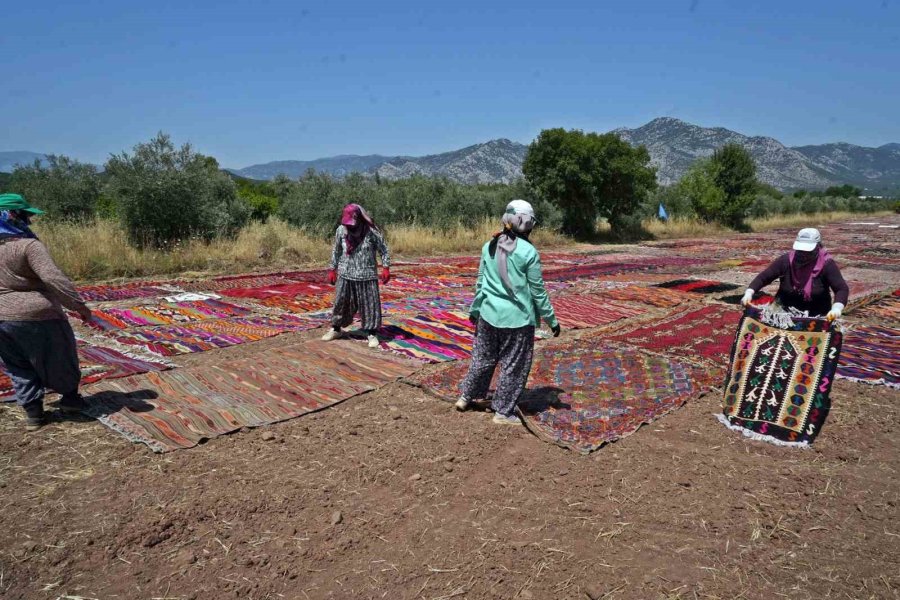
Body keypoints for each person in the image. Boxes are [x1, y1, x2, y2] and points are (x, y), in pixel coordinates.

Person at [455, 200, 560, 425]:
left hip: (487, 314)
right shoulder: (529, 252)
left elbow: (481, 282)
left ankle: (466, 396)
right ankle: (503, 412)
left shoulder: (489, 246)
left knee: (482, 359)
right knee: (513, 365)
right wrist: (552, 320)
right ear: (527, 224)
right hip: (517, 319)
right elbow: (538, 291)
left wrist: (475, 309)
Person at [0, 194, 92, 431]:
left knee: (18, 365)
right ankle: (71, 400)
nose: (30, 220)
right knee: (60, 356)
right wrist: (79, 307)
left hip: (2, 319)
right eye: (26, 215)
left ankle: (34, 414)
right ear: (13, 216)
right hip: (38, 315)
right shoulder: (29, 246)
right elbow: (52, 278)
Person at [741, 227, 849, 320]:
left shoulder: (827, 265)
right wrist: (749, 293)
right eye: (800, 251)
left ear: (818, 247)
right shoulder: (786, 260)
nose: (803, 254)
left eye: (807, 251)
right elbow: (764, 277)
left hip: (817, 316)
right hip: (783, 313)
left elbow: (841, 289)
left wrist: (836, 309)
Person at [322, 203, 391, 348]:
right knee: (340, 302)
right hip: (346, 273)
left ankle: (371, 333)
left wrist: (386, 267)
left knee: (369, 305)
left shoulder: (371, 231)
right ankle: (336, 329)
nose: (350, 226)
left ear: (359, 218)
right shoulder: (341, 230)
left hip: (366, 275)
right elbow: (336, 250)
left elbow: (384, 249)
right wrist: (332, 269)